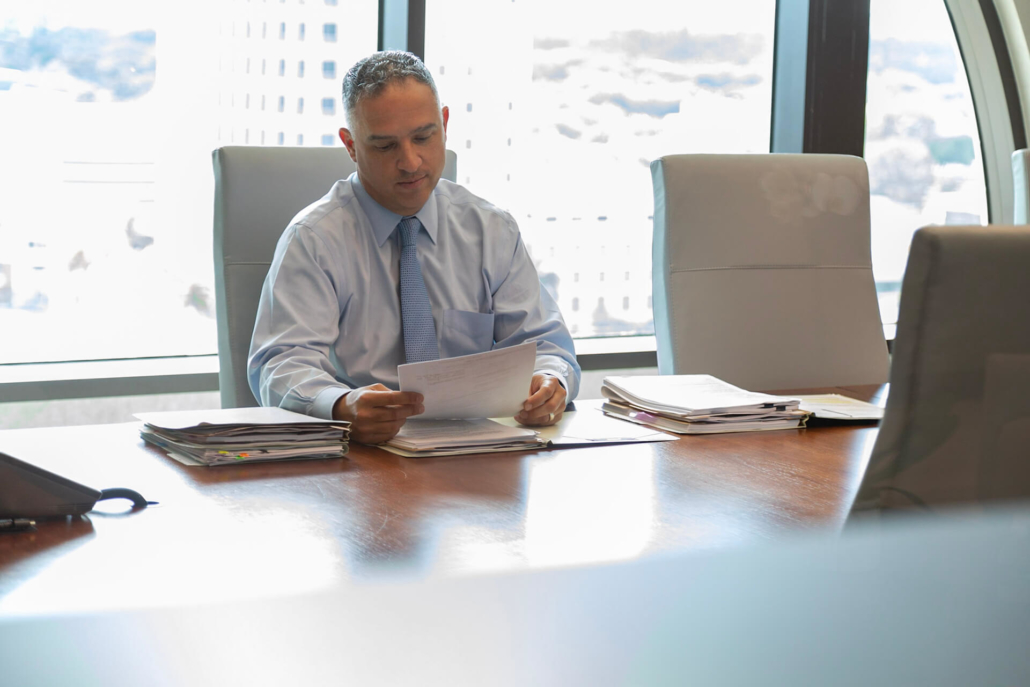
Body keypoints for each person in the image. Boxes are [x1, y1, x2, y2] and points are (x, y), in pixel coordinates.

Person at [248, 51, 580, 444]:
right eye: (386, 147)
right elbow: (282, 362)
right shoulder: (315, 239)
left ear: (444, 124)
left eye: (423, 137)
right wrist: (342, 405)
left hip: (482, 455)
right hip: (362, 458)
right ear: (351, 146)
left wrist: (549, 382)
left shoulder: (491, 229)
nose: (410, 162)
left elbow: (543, 344)